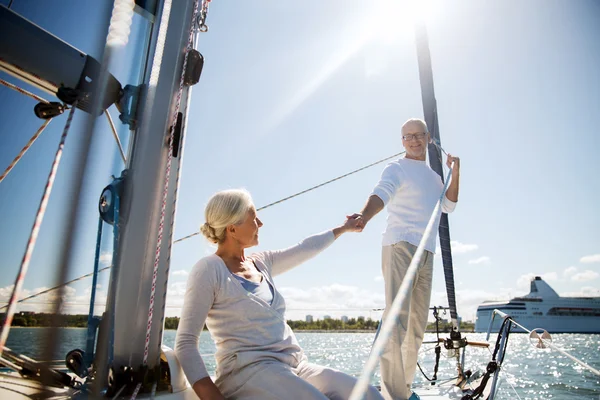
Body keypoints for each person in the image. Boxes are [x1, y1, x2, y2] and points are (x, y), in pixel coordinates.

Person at [175, 188, 383, 400]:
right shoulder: (209, 269)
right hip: (247, 373)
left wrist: (343, 229)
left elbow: (304, 248)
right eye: (254, 218)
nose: (260, 224)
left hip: (294, 365)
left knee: (368, 394)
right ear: (232, 229)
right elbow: (185, 343)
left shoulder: (261, 262)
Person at [348, 118, 460, 400]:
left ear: (428, 137)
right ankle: (395, 394)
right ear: (402, 141)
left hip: (427, 252)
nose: (413, 140)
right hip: (400, 246)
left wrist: (455, 172)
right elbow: (381, 193)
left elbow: (449, 205)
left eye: (418, 135)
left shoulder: (435, 178)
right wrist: (364, 215)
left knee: (416, 328)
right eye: (407, 136)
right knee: (396, 322)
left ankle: (405, 389)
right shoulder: (396, 168)